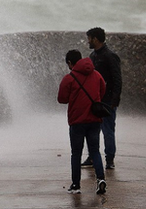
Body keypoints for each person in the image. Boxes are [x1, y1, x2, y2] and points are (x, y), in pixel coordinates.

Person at [57, 50, 107, 196]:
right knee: (95, 150)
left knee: (76, 153)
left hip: (77, 121)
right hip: (94, 119)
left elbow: (61, 99)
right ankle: (101, 179)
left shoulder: (69, 78)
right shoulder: (96, 74)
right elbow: (102, 91)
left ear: (70, 63)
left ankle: (76, 185)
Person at [83, 27, 122, 170]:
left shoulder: (110, 56)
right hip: (95, 100)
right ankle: (92, 157)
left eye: (89, 38)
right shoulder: (92, 56)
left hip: (107, 101)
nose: (88, 41)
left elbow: (117, 80)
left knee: (108, 130)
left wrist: (114, 101)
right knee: (92, 130)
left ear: (96, 39)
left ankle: (110, 159)